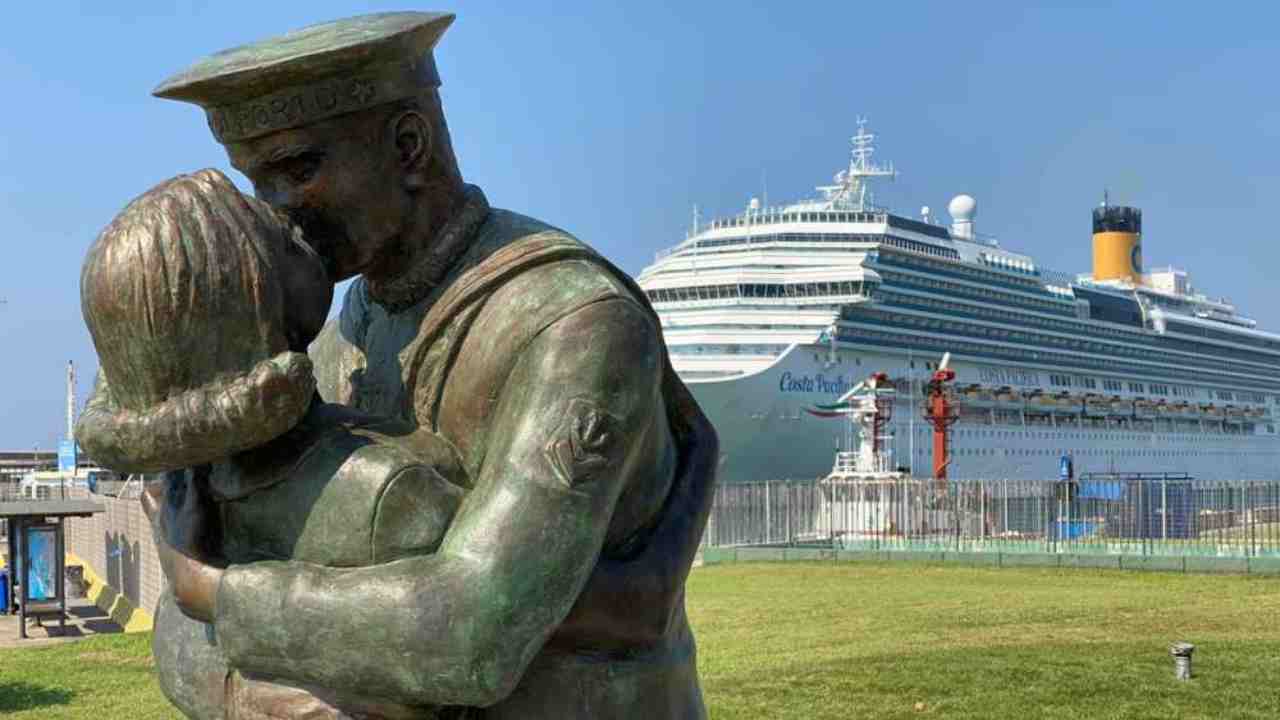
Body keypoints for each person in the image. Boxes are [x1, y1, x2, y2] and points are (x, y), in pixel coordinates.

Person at [79, 11, 719, 718]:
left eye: (299, 169)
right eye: (257, 183)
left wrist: (218, 593)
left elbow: (473, 633)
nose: (276, 212)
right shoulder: (334, 332)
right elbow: (193, 614)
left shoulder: (573, 325)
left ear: (408, 147)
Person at [79, 169, 467, 719]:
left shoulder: (187, 495)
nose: (286, 212)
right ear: (257, 293)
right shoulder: (387, 491)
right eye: (282, 240)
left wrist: (190, 572)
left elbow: (181, 652)